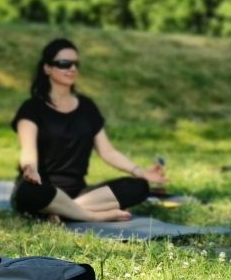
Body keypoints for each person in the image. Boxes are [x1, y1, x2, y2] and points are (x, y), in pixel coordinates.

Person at [10, 38, 168, 223]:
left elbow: (108, 152)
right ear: (47, 68)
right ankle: (90, 215)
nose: (72, 69)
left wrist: (140, 171)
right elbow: (28, 150)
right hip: (43, 188)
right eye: (64, 63)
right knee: (31, 192)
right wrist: (30, 169)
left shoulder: (87, 107)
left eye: (75, 64)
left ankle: (62, 211)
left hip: (80, 193)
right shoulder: (32, 108)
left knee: (139, 187)